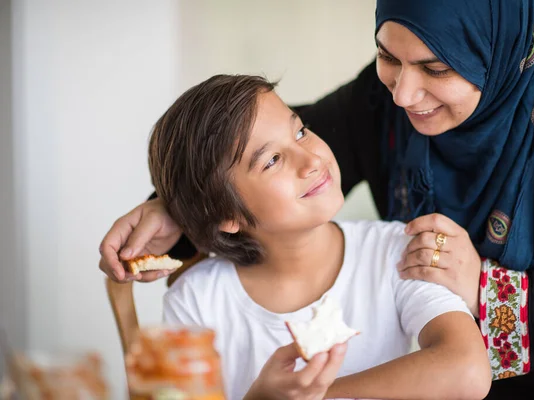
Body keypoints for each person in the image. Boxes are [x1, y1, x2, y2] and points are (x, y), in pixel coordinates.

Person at [99, 0, 534, 397]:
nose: (402, 95)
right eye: (387, 56)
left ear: (499, 49)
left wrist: (485, 289)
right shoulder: (386, 100)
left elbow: (462, 372)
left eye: (437, 68)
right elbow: (253, 150)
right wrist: (174, 206)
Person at [148, 73, 491, 399]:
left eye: (300, 132)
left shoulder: (397, 251)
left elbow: (469, 372)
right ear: (226, 215)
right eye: (272, 161)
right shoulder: (194, 301)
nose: (311, 158)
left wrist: (317, 392)